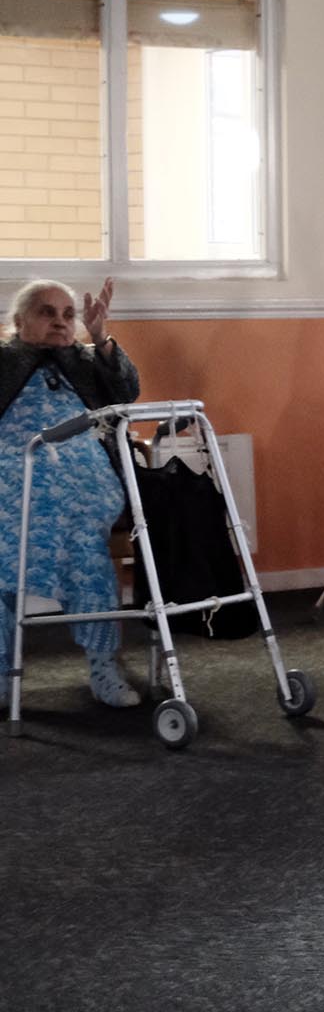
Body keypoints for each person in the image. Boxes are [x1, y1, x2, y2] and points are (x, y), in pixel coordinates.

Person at [0, 278, 142, 708]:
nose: (61, 323)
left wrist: (100, 338)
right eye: (47, 312)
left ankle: (104, 667)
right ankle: (3, 670)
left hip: (83, 474)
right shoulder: (2, 359)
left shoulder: (86, 359)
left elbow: (127, 392)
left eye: (68, 315)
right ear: (19, 320)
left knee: (84, 537)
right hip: (13, 468)